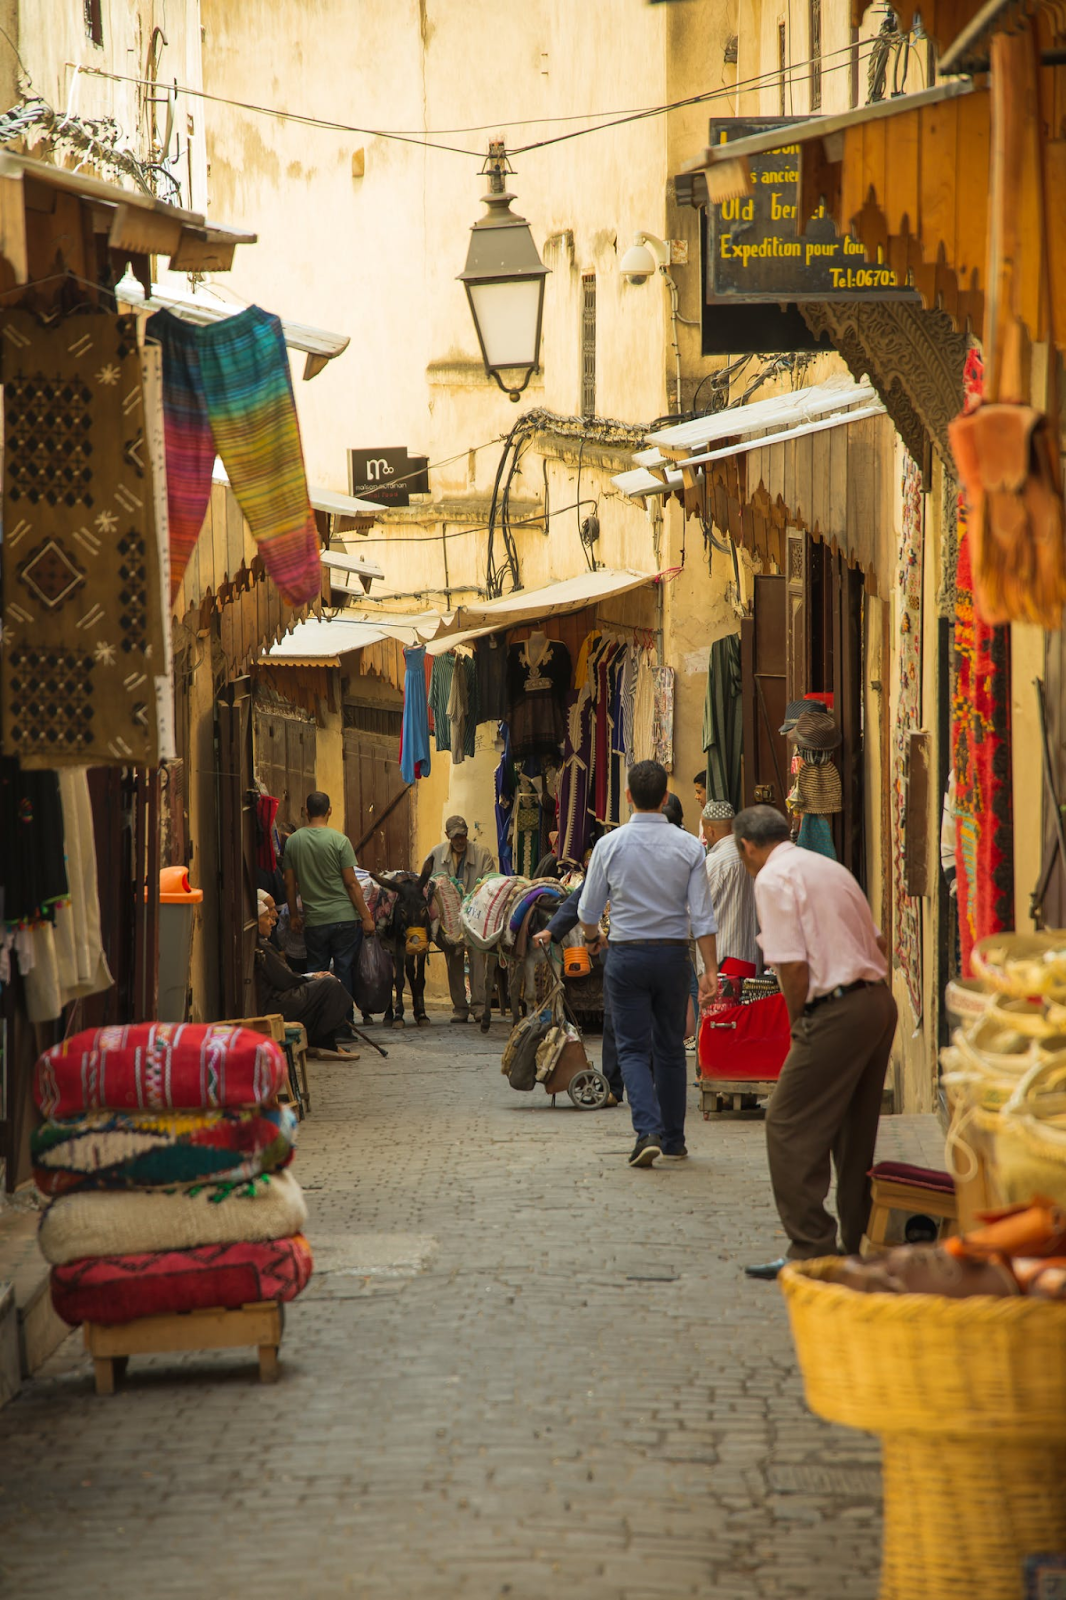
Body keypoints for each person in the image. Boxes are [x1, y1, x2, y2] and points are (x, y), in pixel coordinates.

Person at [732, 805, 897, 1279]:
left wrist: (800, 1022)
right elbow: (880, 943)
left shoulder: (771, 877)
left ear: (747, 846)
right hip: (876, 1003)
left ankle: (810, 1246)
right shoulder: (829, 867)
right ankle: (856, 1239)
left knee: (786, 1122)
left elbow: (791, 965)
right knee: (853, 1129)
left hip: (838, 1008)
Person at [579, 760, 718, 1168]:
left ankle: (647, 1131)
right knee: (671, 1049)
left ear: (627, 797)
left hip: (626, 954)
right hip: (674, 955)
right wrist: (710, 970)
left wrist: (592, 941)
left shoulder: (609, 845)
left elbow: (588, 911)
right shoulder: (689, 846)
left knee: (633, 1050)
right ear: (664, 799)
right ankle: (674, 1138)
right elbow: (704, 915)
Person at [531, 887, 624, 1107]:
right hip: (627, 947)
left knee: (654, 1025)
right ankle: (615, 1086)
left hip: (659, 948)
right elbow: (588, 891)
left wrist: (591, 936)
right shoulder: (612, 852)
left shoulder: (677, 853)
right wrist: (554, 930)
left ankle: (653, 1087)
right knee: (614, 1019)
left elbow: (589, 895)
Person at [283, 791, 375, 1001]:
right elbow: (351, 883)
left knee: (317, 973)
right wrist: (366, 917)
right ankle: (344, 1024)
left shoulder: (293, 842)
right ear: (329, 811)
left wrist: (295, 916)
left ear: (306, 811)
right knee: (344, 970)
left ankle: (321, 1024)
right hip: (344, 918)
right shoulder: (340, 841)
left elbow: (289, 882)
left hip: (315, 921)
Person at [254, 892, 360, 1057]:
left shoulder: (261, 944)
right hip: (273, 1003)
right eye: (266, 917)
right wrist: (310, 978)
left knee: (326, 983)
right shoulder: (262, 946)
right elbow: (285, 980)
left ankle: (321, 1040)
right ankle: (325, 1042)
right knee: (330, 985)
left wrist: (310, 977)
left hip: (273, 999)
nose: (271, 921)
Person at [422, 815, 496, 1024]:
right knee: (453, 957)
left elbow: (490, 882)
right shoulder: (436, 854)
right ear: (448, 836)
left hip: (475, 914)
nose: (460, 841)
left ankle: (479, 1006)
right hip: (449, 919)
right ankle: (460, 1008)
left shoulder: (482, 854)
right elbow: (426, 884)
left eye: (463, 836)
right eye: (455, 837)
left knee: (477, 957)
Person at [701, 801, 760, 975]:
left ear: (710, 830)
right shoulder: (752, 854)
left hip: (723, 961)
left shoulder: (715, 861)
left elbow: (697, 911)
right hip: (751, 956)